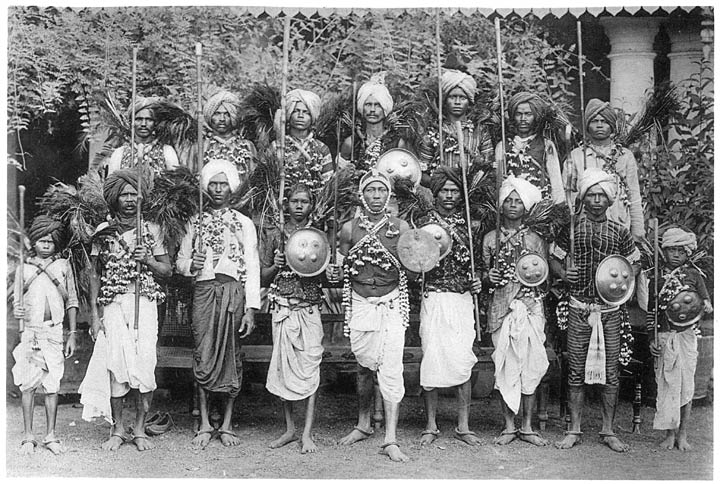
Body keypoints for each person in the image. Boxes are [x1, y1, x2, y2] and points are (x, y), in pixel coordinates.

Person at [79, 170, 172, 452]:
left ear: (141, 197)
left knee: (144, 362)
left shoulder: (152, 230)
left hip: (143, 302)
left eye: (134, 194)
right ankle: (118, 428)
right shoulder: (103, 232)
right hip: (113, 303)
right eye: (124, 194)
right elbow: (93, 274)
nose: (130, 200)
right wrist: (95, 316)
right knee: (114, 364)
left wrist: (149, 261)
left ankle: (141, 428)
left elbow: (167, 270)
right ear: (115, 198)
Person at [550, 168, 640, 452]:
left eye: (602, 195)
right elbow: (554, 258)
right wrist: (565, 275)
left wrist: (620, 281)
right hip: (578, 307)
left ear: (610, 199)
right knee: (575, 370)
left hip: (610, 311)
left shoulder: (620, 232)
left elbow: (634, 262)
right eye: (592, 195)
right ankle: (574, 429)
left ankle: (608, 430)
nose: (597, 200)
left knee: (611, 371)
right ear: (584, 197)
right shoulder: (572, 228)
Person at [326, 170, 412, 462]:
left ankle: (390, 437)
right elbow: (339, 267)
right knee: (364, 366)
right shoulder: (349, 228)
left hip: (391, 303)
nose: (376, 196)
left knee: (390, 368)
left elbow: (413, 265)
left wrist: (416, 263)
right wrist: (335, 272)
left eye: (381, 191)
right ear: (362, 195)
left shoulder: (400, 227)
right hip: (360, 303)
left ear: (388, 195)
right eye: (371, 190)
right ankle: (363, 424)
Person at [176, 159, 261, 449]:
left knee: (230, 355)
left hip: (232, 293)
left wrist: (251, 308)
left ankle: (226, 423)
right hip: (203, 292)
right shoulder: (194, 222)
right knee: (203, 353)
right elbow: (179, 261)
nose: (217, 189)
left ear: (232, 187)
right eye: (212, 183)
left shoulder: (243, 223)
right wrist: (192, 264)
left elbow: (252, 266)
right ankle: (203, 423)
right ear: (205, 186)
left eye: (223, 184)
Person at [417, 167, 483, 446]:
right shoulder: (423, 222)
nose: (449, 195)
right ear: (436, 192)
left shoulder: (472, 225)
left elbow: (479, 262)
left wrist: (479, 280)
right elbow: (413, 258)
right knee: (431, 358)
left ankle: (463, 425)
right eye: (444, 190)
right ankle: (431, 425)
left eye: (454, 191)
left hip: (461, 299)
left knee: (462, 359)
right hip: (433, 296)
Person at [482, 176, 549, 446]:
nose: (512, 205)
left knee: (530, 365)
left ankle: (528, 426)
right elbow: (482, 276)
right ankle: (508, 425)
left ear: (526, 207)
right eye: (507, 201)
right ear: (500, 205)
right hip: (500, 307)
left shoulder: (535, 239)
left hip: (530, 305)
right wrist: (491, 276)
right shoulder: (490, 238)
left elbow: (543, 275)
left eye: (517, 201)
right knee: (505, 365)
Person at [261, 183, 324, 454]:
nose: (299, 206)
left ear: (311, 205)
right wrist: (276, 264)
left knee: (310, 366)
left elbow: (323, 273)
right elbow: (262, 275)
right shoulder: (275, 233)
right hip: (283, 306)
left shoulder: (318, 236)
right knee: (284, 369)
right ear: (287, 204)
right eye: (295, 201)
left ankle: (307, 433)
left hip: (309, 307)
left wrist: (327, 270)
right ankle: (289, 429)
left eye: (305, 201)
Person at [12, 216, 78, 455]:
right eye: (42, 240)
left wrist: (71, 334)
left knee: (52, 385)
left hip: (54, 331)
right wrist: (16, 309)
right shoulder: (24, 268)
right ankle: (28, 435)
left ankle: (50, 435)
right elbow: (16, 302)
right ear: (34, 242)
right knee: (28, 384)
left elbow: (72, 300)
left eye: (51, 241)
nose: (47, 244)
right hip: (31, 331)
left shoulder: (63, 266)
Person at [647, 227, 712, 451]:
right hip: (665, 337)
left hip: (687, 337)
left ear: (688, 253)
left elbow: (705, 301)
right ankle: (669, 433)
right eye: (672, 250)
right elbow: (651, 313)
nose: (676, 255)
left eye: (681, 251)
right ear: (664, 251)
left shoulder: (694, 275)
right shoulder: (656, 278)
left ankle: (683, 434)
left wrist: (705, 304)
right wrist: (651, 339)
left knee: (686, 385)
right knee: (667, 385)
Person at [564, 99, 645, 242]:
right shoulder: (576, 156)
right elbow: (567, 195)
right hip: (583, 226)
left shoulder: (624, 156)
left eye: (604, 121)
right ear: (588, 125)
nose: (599, 125)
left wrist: (637, 231)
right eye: (594, 121)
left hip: (618, 223)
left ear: (611, 125)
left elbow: (634, 195)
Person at [419, 69, 493, 183]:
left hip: (472, 194)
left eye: (462, 98)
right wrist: (438, 185)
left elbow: (488, 166)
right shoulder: (434, 131)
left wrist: (474, 186)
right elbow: (422, 171)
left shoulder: (480, 131)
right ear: (445, 100)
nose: (457, 102)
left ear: (469, 102)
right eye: (452, 97)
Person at [496, 91, 564, 204]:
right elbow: (498, 182)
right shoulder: (502, 146)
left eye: (528, 114)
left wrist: (559, 207)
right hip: (512, 207)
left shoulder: (546, 145)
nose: (523, 118)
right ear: (513, 116)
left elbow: (556, 181)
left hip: (540, 206)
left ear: (535, 116)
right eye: (518, 114)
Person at [341, 73, 407, 172]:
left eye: (378, 105)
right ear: (362, 108)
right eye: (368, 104)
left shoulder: (397, 143)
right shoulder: (351, 143)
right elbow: (342, 179)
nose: (372, 109)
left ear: (385, 109)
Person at [273, 89, 334, 196]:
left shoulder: (322, 148)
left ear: (312, 117)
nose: (300, 115)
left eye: (306, 112)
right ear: (289, 114)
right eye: (296, 111)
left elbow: (328, 184)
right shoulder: (276, 146)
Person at [105, 97, 180, 179]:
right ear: (131, 122)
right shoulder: (119, 153)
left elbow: (175, 186)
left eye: (149, 119)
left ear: (155, 123)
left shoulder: (167, 152)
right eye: (138, 119)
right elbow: (111, 187)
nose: (143, 124)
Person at [203, 90, 257, 185]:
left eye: (227, 114)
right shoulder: (202, 145)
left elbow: (254, 178)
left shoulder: (247, 146)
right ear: (210, 116)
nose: (222, 119)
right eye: (217, 114)